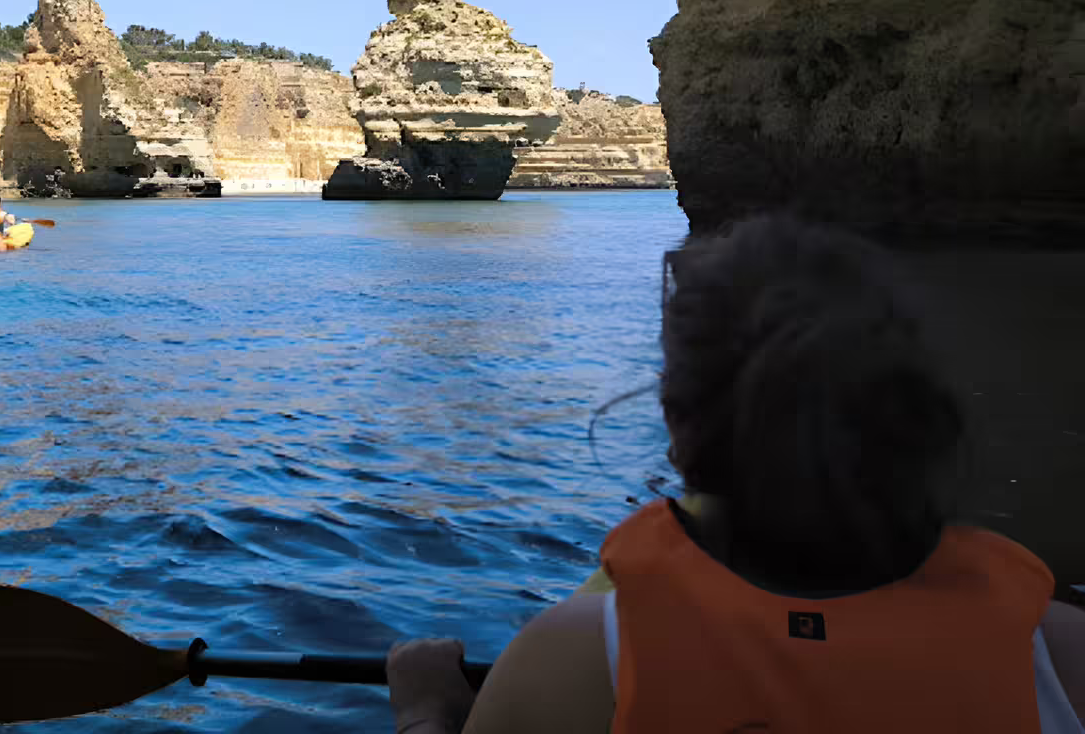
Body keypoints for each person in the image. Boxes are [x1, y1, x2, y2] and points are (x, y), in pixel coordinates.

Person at [387, 216, 1085, 734]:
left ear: (678, 423)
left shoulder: (574, 661)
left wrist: (427, 713)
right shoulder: (1063, 658)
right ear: (923, 415)